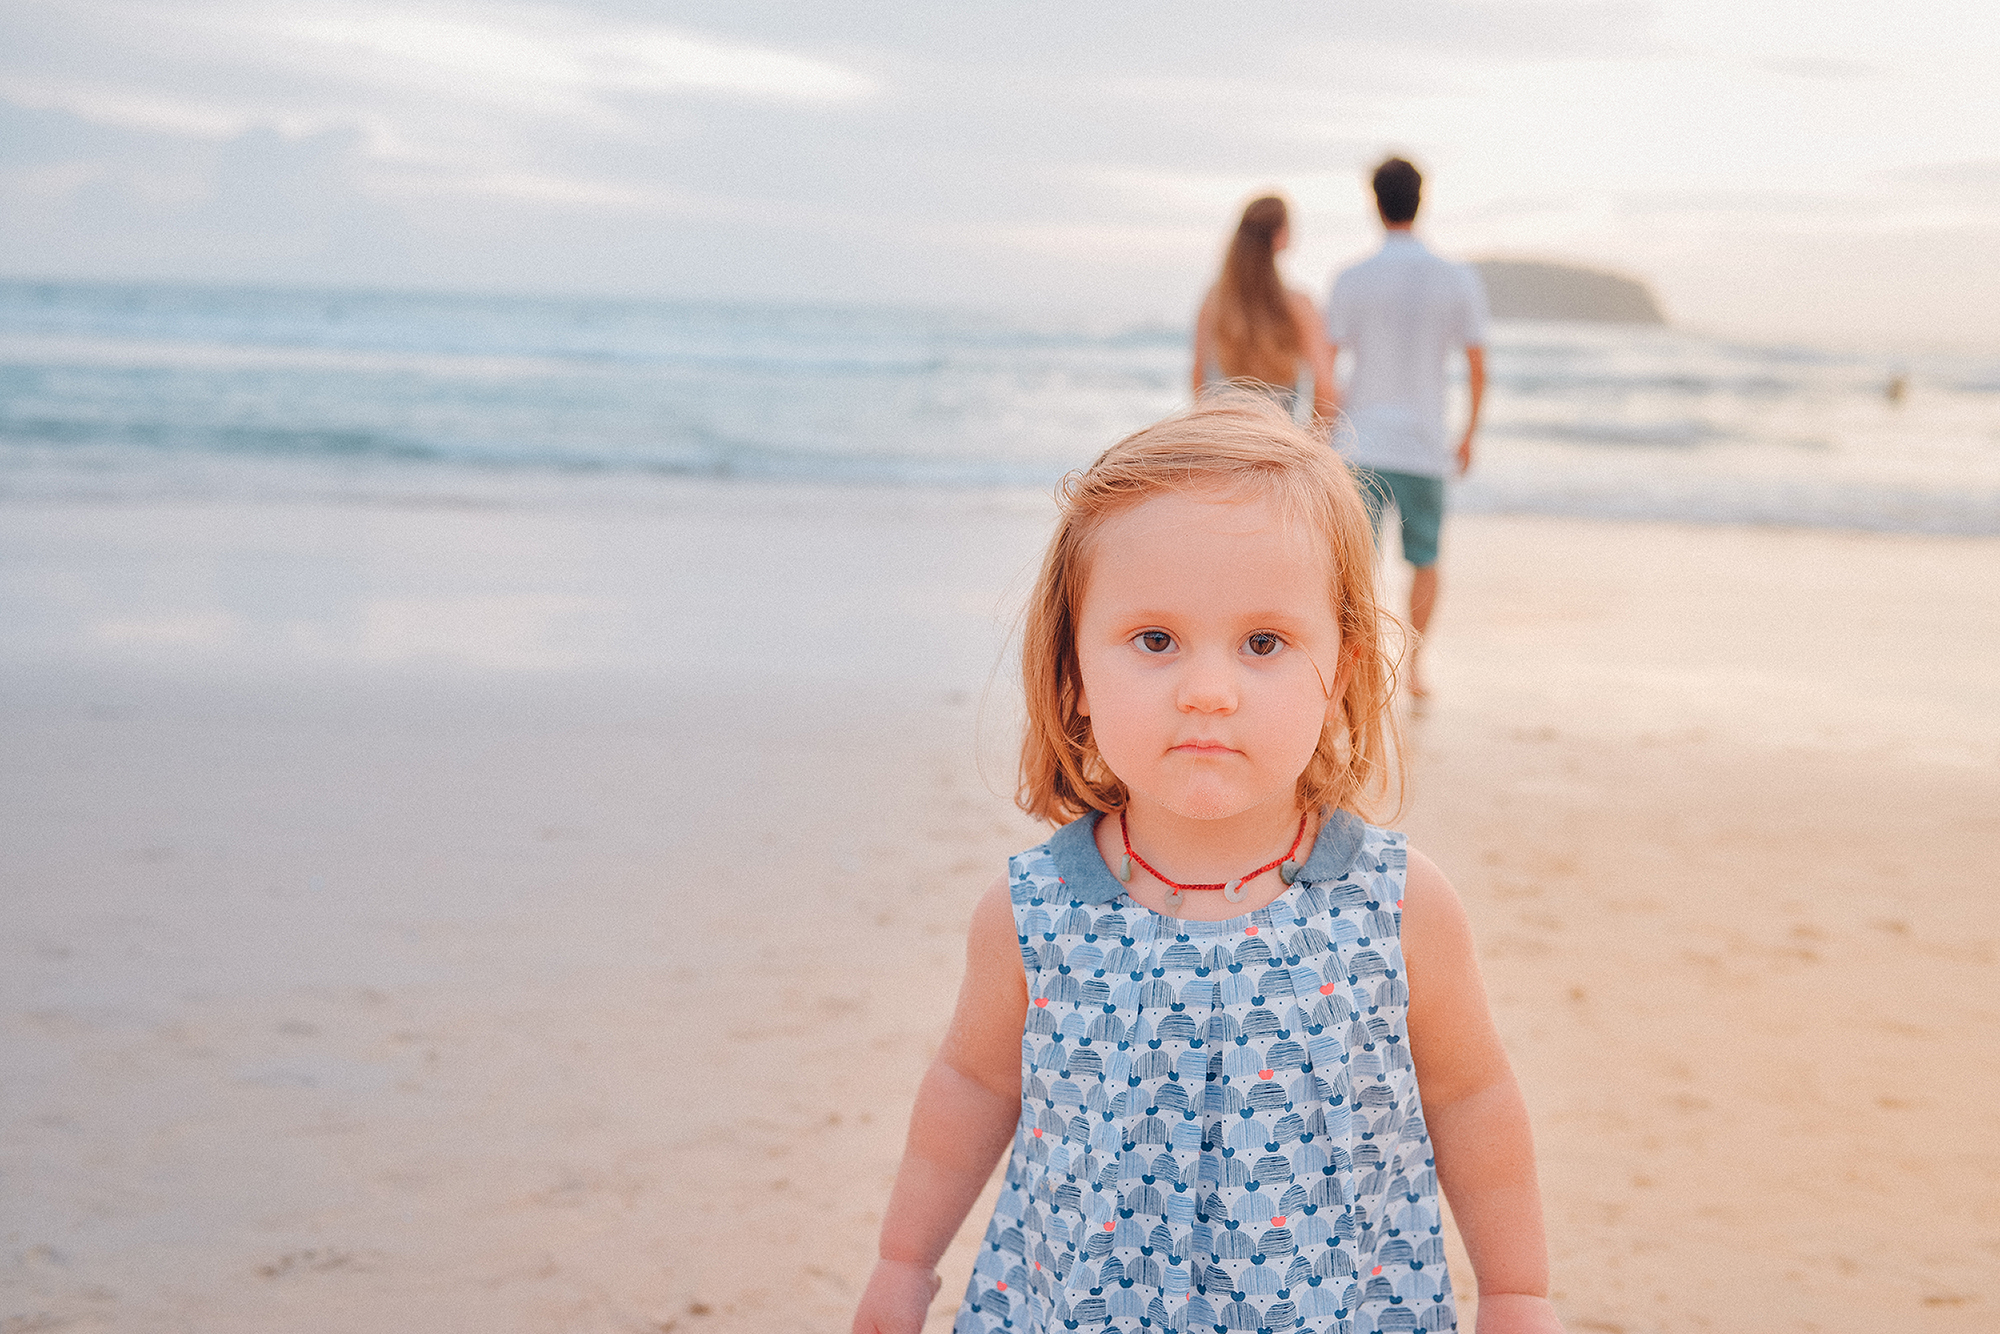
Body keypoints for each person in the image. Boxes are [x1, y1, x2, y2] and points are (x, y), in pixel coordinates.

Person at [852, 396, 1562, 1334]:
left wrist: (1517, 1292)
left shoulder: (1394, 906)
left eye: (1264, 643)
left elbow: (1471, 1097)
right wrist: (904, 1264)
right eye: (1155, 641)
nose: (1210, 692)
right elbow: (974, 1086)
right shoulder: (1036, 911)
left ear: (1341, 667)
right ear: (1073, 667)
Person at [1326, 157, 1489, 699]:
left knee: (1355, 568)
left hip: (1359, 443)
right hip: (1424, 444)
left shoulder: (1352, 277)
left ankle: (1362, 671)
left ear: (1375, 202)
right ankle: (1414, 669)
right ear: (1422, 199)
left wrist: (1317, 430)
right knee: (1425, 558)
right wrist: (1469, 433)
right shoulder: (1456, 276)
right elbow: (1476, 363)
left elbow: (1326, 366)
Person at [1192, 195, 1338, 423]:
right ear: (1280, 237)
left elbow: (1198, 379)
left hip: (1224, 444)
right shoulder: (1298, 305)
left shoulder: (1216, 300)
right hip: (1276, 448)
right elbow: (1325, 389)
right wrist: (1310, 447)